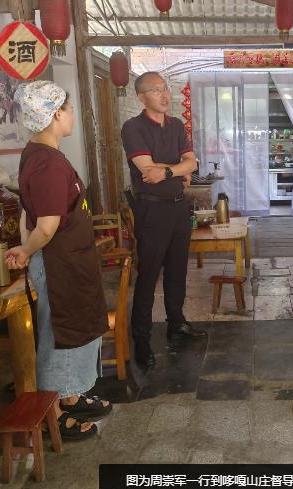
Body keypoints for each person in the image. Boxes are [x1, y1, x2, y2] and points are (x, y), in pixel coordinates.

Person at [7, 80, 112, 441]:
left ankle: (70, 395)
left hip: (70, 261)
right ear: (54, 115)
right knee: (61, 333)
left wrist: (26, 246)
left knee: (75, 327)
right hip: (58, 266)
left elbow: (29, 212)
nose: (72, 115)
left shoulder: (40, 154)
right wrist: (26, 251)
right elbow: (47, 226)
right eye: (67, 109)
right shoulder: (47, 163)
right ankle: (53, 414)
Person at [121, 72, 206, 371]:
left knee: (177, 269)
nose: (164, 94)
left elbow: (192, 162)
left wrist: (169, 171)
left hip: (179, 207)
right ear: (141, 97)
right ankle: (141, 340)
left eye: (165, 88)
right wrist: (179, 168)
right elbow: (147, 171)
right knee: (148, 275)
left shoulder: (176, 125)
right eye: (156, 90)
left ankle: (176, 323)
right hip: (151, 210)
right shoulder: (133, 128)